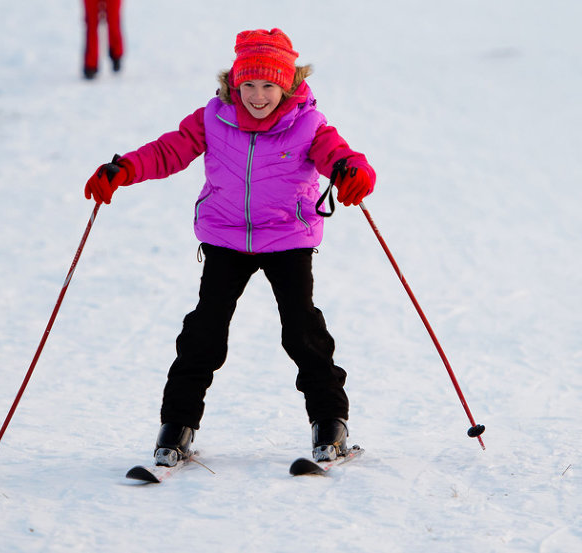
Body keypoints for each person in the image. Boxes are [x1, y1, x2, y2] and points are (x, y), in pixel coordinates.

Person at [83, 28, 376, 465]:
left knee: (302, 331)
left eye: (269, 86)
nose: (258, 96)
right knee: (204, 331)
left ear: (288, 85)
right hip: (226, 237)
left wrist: (354, 172)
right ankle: (176, 428)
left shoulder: (307, 124)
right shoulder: (213, 119)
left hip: (286, 239)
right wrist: (123, 169)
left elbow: (339, 155)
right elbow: (169, 151)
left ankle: (330, 422)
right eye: (249, 86)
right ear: (233, 84)